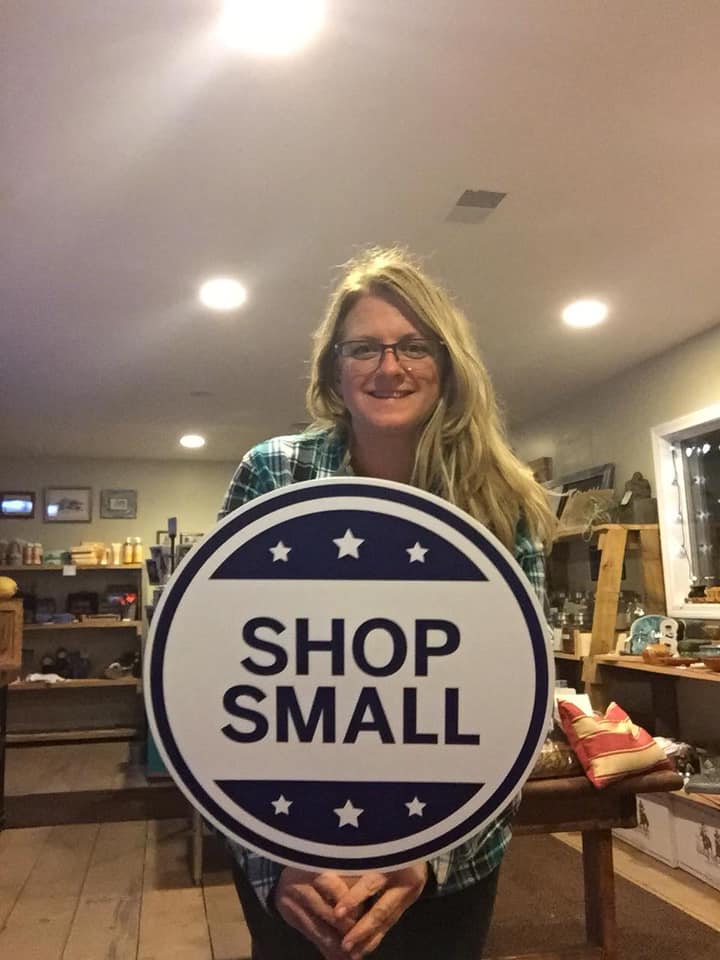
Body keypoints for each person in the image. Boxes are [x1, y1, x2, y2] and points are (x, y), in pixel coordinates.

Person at [218, 246, 555, 960]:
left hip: (442, 863)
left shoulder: (501, 500)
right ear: (334, 370)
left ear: (448, 363)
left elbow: (520, 702)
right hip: (293, 854)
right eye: (364, 347)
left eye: (413, 346)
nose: (389, 366)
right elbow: (218, 687)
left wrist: (429, 856)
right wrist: (274, 858)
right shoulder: (275, 473)